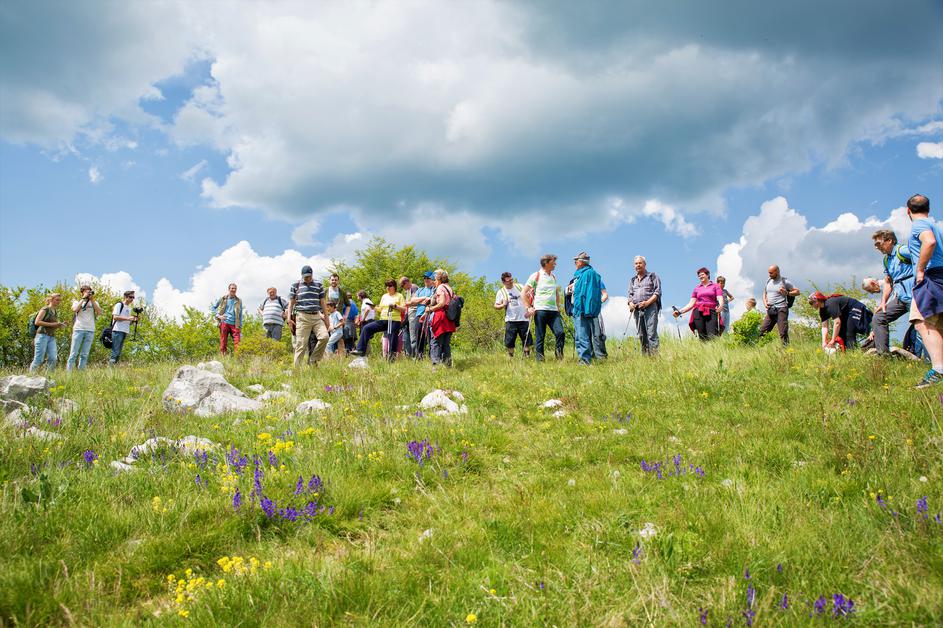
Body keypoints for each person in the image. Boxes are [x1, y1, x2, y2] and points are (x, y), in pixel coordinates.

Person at [905, 194, 943, 388]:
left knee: (921, 320)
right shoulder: (937, 226)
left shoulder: (919, 225)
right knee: (938, 324)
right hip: (940, 275)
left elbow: (929, 242)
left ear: (908, 211)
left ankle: (938, 370)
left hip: (930, 277)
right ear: (928, 208)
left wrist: (920, 269)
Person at [523, 254, 565, 361]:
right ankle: (540, 360)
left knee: (560, 333)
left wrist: (558, 306)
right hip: (540, 310)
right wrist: (528, 307)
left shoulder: (553, 276)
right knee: (540, 336)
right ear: (546, 263)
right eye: (553, 262)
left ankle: (559, 357)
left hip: (554, 311)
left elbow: (556, 293)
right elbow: (523, 292)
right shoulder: (536, 275)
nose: (555, 264)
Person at [351, 279, 406, 359]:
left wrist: (395, 306)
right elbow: (380, 309)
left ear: (394, 287)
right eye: (386, 286)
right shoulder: (384, 296)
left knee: (392, 339)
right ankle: (360, 350)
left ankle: (391, 358)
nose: (388, 287)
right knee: (366, 328)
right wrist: (374, 307)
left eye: (390, 286)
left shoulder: (399, 296)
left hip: (394, 320)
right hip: (383, 319)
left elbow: (404, 309)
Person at [288, 265, 329, 367]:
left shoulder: (319, 285)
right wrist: (289, 318)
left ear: (312, 274)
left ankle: (313, 360)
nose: (307, 278)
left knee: (324, 337)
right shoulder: (296, 285)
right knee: (301, 345)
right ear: (302, 275)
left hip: (316, 316)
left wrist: (327, 318)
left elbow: (323, 302)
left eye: (309, 276)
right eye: (305, 277)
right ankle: (296, 371)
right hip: (302, 317)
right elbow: (291, 303)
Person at [570, 252, 604, 365]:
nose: (575, 263)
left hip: (583, 310)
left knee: (582, 336)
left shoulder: (589, 274)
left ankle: (585, 361)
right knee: (579, 337)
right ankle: (583, 359)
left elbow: (589, 293)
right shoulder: (579, 275)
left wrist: (587, 309)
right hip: (577, 309)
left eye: (576, 261)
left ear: (581, 262)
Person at [808, 291, 873, 351]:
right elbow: (824, 327)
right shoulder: (822, 311)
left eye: (811, 303)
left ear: (818, 301)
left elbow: (837, 323)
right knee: (841, 334)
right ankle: (845, 352)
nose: (811, 305)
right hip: (846, 313)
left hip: (855, 307)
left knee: (849, 332)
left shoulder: (830, 304)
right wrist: (824, 342)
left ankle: (852, 352)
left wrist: (833, 340)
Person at [674, 267, 725, 340]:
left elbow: (720, 298)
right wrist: (679, 312)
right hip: (698, 312)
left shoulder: (715, 286)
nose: (700, 276)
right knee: (702, 336)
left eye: (702, 274)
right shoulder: (697, 288)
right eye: (699, 275)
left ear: (707, 275)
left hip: (712, 312)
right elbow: (691, 303)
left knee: (712, 335)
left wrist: (721, 305)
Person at [627, 256, 662, 355]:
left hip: (650, 308)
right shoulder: (632, 280)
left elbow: (657, 293)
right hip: (637, 309)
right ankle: (645, 357)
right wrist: (630, 304)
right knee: (642, 334)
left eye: (640, 263)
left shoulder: (652, 276)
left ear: (644, 264)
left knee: (651, 333)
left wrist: (647, 303)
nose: (638, 265)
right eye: (636, 263)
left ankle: (654, 357)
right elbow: (630, 295)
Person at [758, 265, 799, 345]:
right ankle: (758, 348)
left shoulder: (785, 281)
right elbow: (764, 293)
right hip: (771, 310)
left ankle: (786, 349)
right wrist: (765, 302)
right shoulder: (768, 280)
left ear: (777, 271)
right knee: (762, 331)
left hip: (781, 309)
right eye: (769, 273)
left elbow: (797, 292)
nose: (769, 275)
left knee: (783, 332)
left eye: (771, 273)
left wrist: (787, 293)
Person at [494, 272, 532, 358]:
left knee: (526, 339)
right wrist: (502, 305)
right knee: (510, 341)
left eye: (511, 279)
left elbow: (529, 296)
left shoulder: (520, 287)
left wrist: (530, 307)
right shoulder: (501, 292)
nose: (511, 282)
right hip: (511, 320)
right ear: (504, 282)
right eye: (508, 281)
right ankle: (511, 358)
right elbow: (496, 306)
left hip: (524, 318)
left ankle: (527, 356)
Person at [425, 269, 457, 367]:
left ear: (439, 279)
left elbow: (442, 303)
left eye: (435, 279)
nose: (434, 281)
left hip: (441, 317)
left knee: (435, 341)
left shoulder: (440, 288)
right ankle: (448, 365)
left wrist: (430, 309)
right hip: (449, 318)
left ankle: (435, 365)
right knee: (446, 343)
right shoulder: (449, 288)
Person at [66, 285, 102, 370]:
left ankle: (81, 372)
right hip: (79, 329)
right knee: (74, 353)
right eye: (86, 291)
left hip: (90, 329)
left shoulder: (94, 302)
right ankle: (69, 373)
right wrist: (83, 299)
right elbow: (75, 309)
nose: (88, 293)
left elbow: (99, 312)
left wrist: (92, 300)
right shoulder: (76, 301)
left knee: (85, 354)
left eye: (89, 291)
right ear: (82, 293)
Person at [30, 292, 67, 372]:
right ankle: (31, 376)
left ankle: (49, 376)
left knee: (53, 358)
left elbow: (52, 325)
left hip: (51, 337)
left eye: (59, 300)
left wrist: (59, 325)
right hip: (42, 336)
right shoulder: (45, 309)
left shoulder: (55, 311)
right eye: (57, 300)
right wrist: (53, 324)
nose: (59, 302)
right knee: (39, 358)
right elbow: (37, 322)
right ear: (51, 300)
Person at [213, 283, 243, 354]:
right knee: (223, 341)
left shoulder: (239, 300)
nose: (233, 290)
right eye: (232, 288)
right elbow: (213, 307)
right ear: (229, 289)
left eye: (235, 288)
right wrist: (218, 316)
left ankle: (238, 356)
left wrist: (240, 325)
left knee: (237, 341)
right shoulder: (223, 298)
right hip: (224, 322)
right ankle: (223, 357)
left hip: (235, 324)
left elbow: (240, 314)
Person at [412, 272, 436, 358]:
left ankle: (431, 355)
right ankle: (419, 355)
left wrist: (420, 301)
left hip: (430, 314)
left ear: (432, 279)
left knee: (430, 336)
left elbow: (432, 300)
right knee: (418, 335)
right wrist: (424, 298)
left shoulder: (434, 289)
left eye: (428, 278)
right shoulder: (420, 290)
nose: (426, 280)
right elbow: (412, 300)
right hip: (419, 314)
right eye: (424, 278)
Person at [110, 291, 138, 364]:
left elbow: (128, 322)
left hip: (124, 331)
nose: (132, 299)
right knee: (115, 352)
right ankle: (110, 368)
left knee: (118, 353)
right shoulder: (119, 305)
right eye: (130, 297)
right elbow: (115, 317)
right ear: (125, 297)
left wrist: (133, 320)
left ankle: (114, 368)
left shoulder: (129, 308)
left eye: (133, 297)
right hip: (117, 330)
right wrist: (128, 318)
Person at [399, 276, 419, 357]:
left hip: (414, 314)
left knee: (413, 336)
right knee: (406, 335)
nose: (403, 288)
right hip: (408, 316)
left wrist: (406, 303)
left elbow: (414, 301)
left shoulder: (413, 287)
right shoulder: (408, 291)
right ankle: (408, 355)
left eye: (402, 286)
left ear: (407, 282)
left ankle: (415, 356)